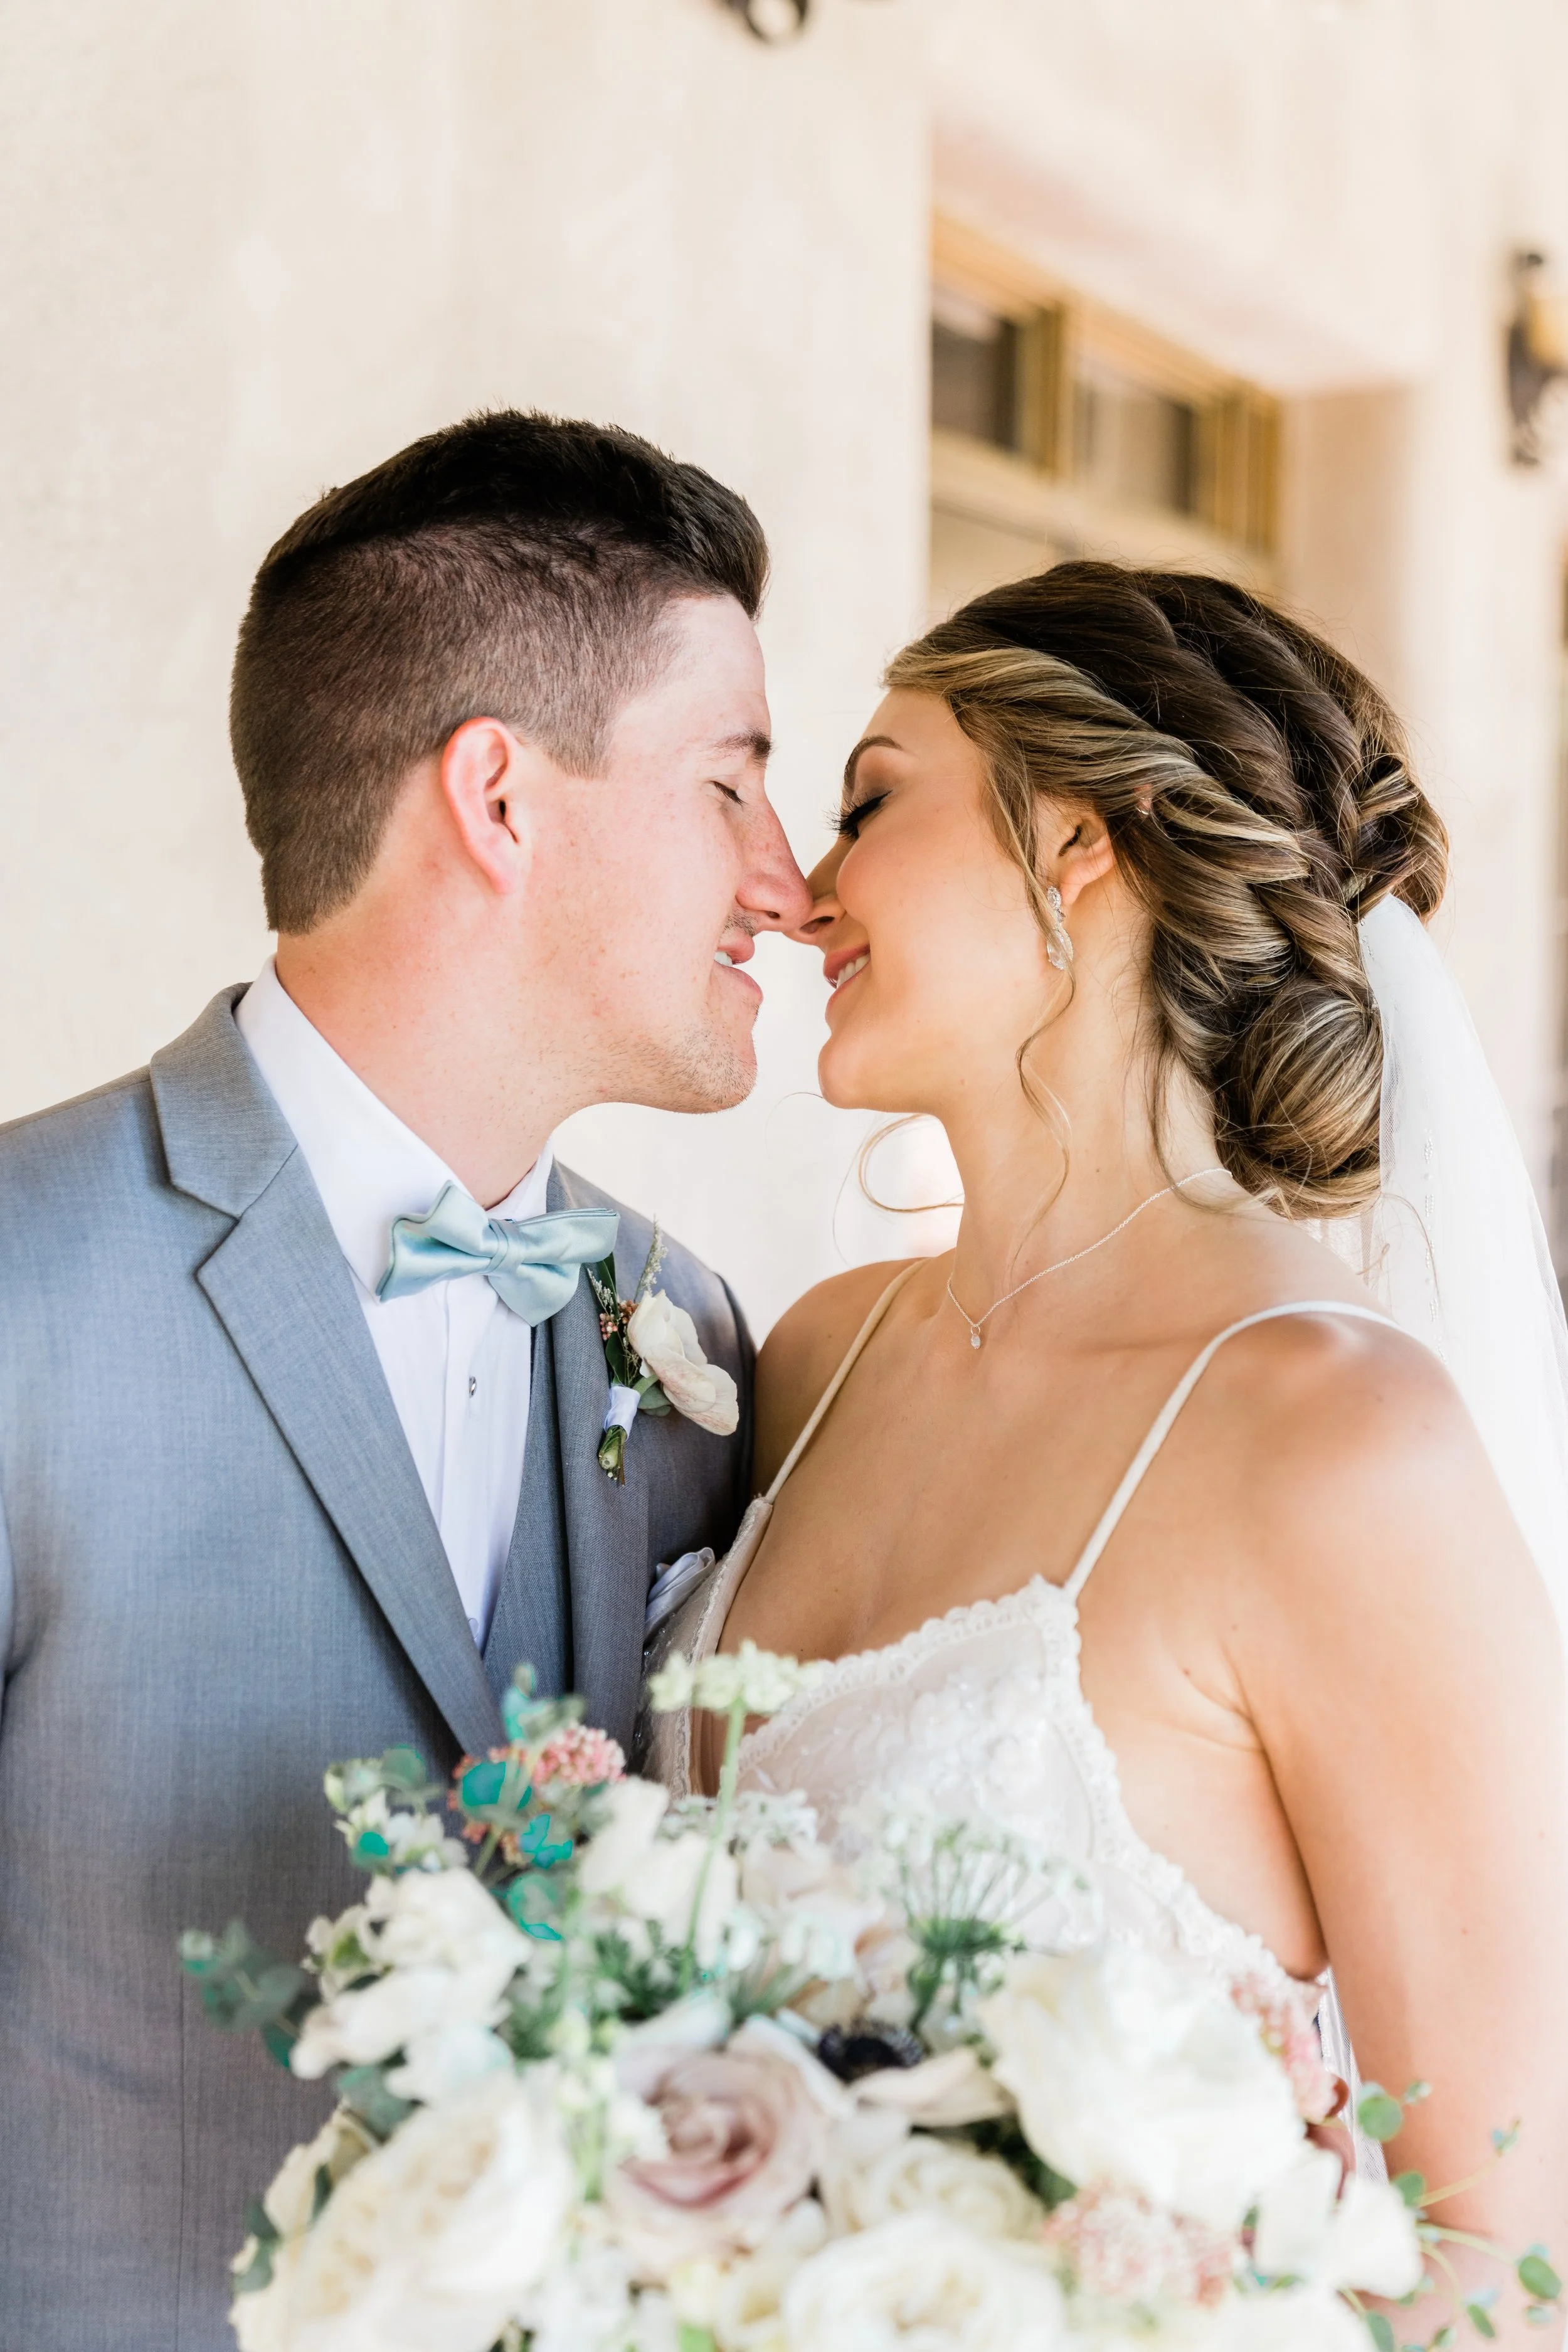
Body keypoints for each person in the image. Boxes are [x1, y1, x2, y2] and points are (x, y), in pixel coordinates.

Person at [645, 564, 1568, 2339]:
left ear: (1076, 840)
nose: (805, 892)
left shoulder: (1329, 1436)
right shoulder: (815, 1356)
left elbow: (1506, 2256)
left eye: (867, 799)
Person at [0, 410, 810, 2349]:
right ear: (502, 801)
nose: (782, 880)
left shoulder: (677, 1320)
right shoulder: (23, 1278)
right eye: (733, 782)